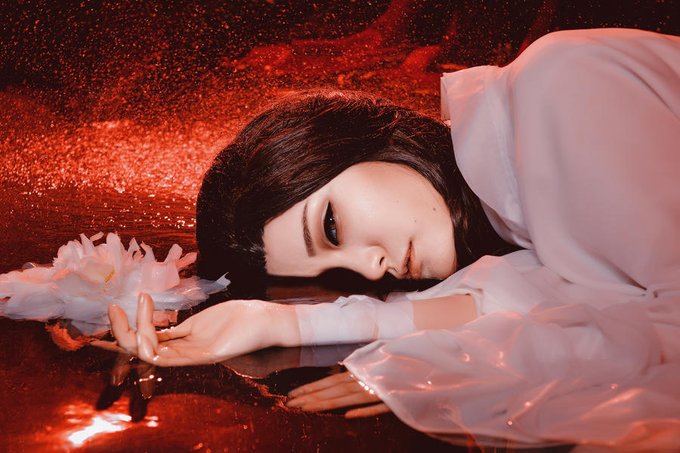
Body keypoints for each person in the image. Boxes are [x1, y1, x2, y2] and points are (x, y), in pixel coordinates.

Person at [108, 28, 680, 446]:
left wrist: (481, 371)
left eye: (331, 227)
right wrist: (280, 323)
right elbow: (534, 297)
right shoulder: (513, 217)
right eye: (339, 273)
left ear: (357, 142)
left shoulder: (559, 86)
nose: (372, 268)